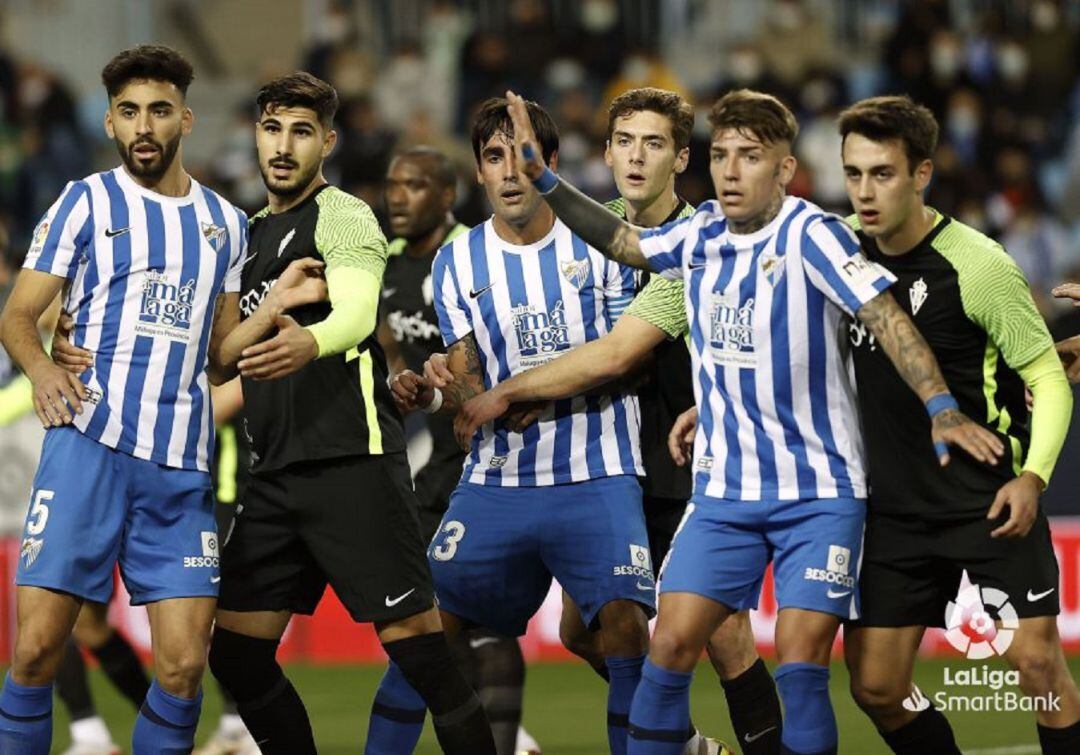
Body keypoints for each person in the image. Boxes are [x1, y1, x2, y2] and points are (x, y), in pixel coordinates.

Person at [500, 87, 1003, 755]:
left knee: (799, 665)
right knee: (670, 645)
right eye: (721, 155)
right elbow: (625, 241)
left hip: (817, 494)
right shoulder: (701, 232)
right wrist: (545, 180)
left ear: (785, 169)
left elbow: (887, 319)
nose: (731, 171)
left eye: (750, 156)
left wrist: (940, 404)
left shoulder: (814, 235)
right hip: (723, 497)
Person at [452, 87, 779, 755]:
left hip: (690, 460)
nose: (636, 156)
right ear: (604, 153)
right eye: (624, 141)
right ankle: (680, 740)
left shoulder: (695, 244)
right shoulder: (584, 233)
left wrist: (513, 392)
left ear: (681, 157)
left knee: (724, 633)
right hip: (611, 461)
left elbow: (617, 352)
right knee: (582, 631)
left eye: (653, 143)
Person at [199, 72, 495, 755]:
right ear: (255, 135)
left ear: (326, 142)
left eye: (301, 131)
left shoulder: (344, 215)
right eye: (272, 128)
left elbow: (359, 308)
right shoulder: (246, 235)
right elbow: (222, 355)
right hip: (272, 478)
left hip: (352, 465)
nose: (283, 144)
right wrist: (274, 311)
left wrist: (312, 337)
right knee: (236, 658)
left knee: (425, 659)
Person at [0, 44, 251, 754]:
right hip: (88, 448)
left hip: (178, 469)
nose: (145, 126)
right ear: (110, 122)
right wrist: (46, 369)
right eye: (130, 112)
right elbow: (17, 315)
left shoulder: (226, 226)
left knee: (181, 666)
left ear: (186, 119)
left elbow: (221, 351)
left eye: (160, 111)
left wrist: (281, 316)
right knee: (37, 650)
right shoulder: (84, 201)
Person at [389, 96, 654, 755]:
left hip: (598, 470)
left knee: (621, 629)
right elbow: (467, 383)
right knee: (421, 636)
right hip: (500, 480)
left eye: (524, 155)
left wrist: (524, 390)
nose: (509, 171)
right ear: (479, 171)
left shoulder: (603, 240)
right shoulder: (457, 262)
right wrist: (454, 388)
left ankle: (661, 739)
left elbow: (630, 359)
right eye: (494, 156)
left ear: (551, 165)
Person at [837, 95, 1080, 755]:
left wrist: (1032, 478)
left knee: (1036, 666)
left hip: (987, 498)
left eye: (882, 173)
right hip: (888, 508)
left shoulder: (977, 264)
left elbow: (1048, 377)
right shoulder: (832, 254)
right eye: (853, 173)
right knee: (877, 686)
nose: (863, 190)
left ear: (922, 174)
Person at [370, 146, 535, 755]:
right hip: (413, 471)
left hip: (481, 462)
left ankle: (505, 738)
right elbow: (383, 341)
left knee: (463, 621)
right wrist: (394, 370)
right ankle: (501, 738)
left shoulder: (472, 255)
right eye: (392, 184)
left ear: (446, 195)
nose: (398, 196)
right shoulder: (381, 266)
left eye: (415, 185)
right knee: (441, 627)